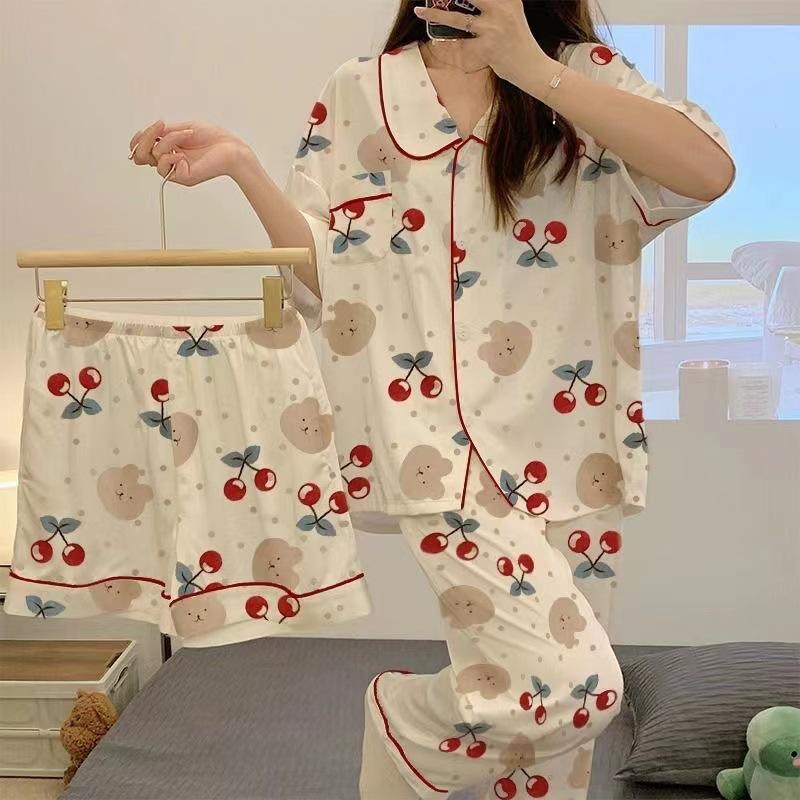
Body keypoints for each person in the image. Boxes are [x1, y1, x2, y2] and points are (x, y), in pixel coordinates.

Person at [129, 1, 735, 797]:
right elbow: (328, 279)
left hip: (571, 449)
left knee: (549, 730)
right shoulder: (362, 92)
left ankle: (408, 752)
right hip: (428, 447)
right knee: (581, 688)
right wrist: (243, 165)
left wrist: (530, 66)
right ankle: (407, 718)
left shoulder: (582, 81)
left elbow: (708, 173)